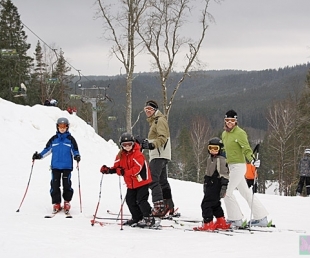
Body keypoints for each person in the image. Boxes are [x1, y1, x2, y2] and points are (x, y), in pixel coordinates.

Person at [221, 110, 269, 227]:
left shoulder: (240, 133)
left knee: (226, 192)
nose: (230, 123)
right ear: (225, 121)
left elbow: (246, 149)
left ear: (236, 121)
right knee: (246, 192)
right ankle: (261, 217)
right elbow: (225, 150)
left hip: (238, 166)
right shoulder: (224, 134)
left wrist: (252, 160)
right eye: (228, 120)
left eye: (232, 120)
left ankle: (235, 219)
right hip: (230, 166)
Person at [100, 133, 156, 228]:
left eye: (129, 144)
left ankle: (149, 218)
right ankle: (137, 217)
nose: (127, 147)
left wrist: (123, 172)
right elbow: (117, 167)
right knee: (130, 201)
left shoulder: (138, 154)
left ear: (133, 143)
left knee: (141, 200)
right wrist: (108, 170)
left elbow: (136, 169)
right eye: (124, 145)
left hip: (142, 181)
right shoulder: (121, 155)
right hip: (131, 183)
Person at [32, 117, 81, 213]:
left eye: (64, 126)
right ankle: (56, 203)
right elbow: (47, 150)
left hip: (67, 166)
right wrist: (39, 156)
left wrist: (77, 156)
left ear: (67, 127)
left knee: (66, 184)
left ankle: (67, 202)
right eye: (60, 126)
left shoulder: (70, 139)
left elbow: (75, 150)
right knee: (55, 185)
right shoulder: (54, 139)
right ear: (57, 127)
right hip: (55, 166)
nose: (62, 128)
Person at [141, 100, 176, 217]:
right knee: (162, 181)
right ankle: (168, 205)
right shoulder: (155, 121)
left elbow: (162, 137)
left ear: (155, 110)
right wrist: (146, 143)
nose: (147, 112)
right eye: (146, 110)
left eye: (150, 109)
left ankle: (159, 207)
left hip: (159, 154)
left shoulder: (160, 120)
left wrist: (151, 145)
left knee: (152, 180)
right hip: (161, 155)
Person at [193, 137, 231, 231]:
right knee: (215, 204)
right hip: (210, 183)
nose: (213, 151)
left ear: (220, 149)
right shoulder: (210, 159)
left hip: (216, 184)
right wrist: (206, 184)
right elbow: (207, 172)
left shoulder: (221, 159)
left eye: (216, 149)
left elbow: (224, 174)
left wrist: (224, 187)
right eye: (211, 148)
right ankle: (220, 221)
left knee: (206, 204)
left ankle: (208, 223)